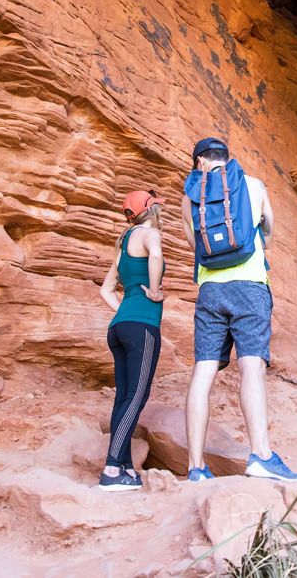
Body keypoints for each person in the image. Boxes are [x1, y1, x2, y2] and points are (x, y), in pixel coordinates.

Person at [180, 137, 297, 483]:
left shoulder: (190, 196)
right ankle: (261, 456)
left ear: (199, 162)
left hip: (209, 291)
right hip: (250, 285)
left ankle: (195, 467)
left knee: (203, 373)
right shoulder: (252, 184)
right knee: (251, 368)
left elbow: (194, 244)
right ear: (225, 159)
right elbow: (269, 226)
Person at [95, 189, 167, 492]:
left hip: (119, 327)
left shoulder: (123, 244)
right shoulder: (149, 234)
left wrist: (125, 308)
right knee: (137, 395)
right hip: (142, 325)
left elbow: (105, 290)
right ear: (151, 211)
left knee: (124, 396)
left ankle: (123, 465)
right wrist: (152, 291)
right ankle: (112, 469)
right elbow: (157, 254)